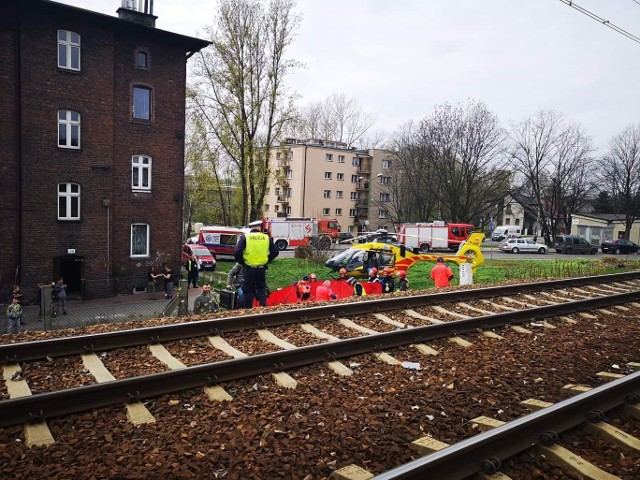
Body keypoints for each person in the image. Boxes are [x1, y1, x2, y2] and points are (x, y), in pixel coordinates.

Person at [234, 227, 279, 308]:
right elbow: (275, 252)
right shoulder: (266, 237)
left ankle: (248, 310)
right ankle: (263, 309)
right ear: (259, 232)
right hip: (261, 269)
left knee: (248, 290)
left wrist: (242, 261)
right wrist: (266, 260)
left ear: (251, 232)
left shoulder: (246, 237)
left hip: (249, 268)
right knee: (261, 288)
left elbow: (237, 251)